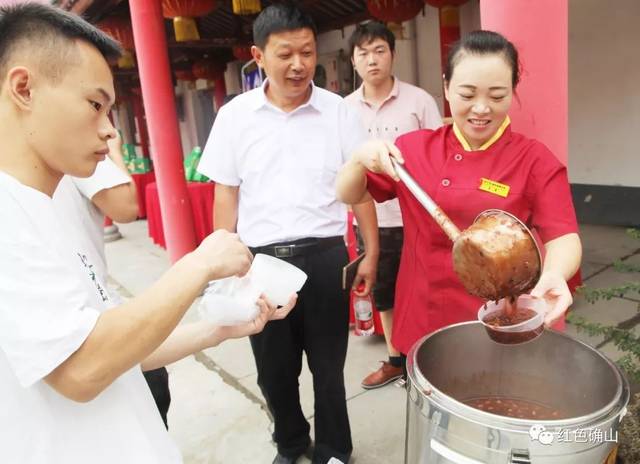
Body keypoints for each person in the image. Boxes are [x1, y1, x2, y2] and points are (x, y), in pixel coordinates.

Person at [0, 4, 295, 463]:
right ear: (24, 88)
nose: (107, 130)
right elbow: (82, 366)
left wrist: (218, 330)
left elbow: (119, 343)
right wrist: (200, 264)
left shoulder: (51, 203)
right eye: (95, 104)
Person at [197, 5, 378, 464]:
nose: (298, 65)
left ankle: (334, 449)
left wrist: (370, 252)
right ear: (259, 55)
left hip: (324, 257)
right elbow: (227, 195)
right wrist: (223, 263)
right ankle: (291, 443)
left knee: (328, 367)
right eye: (285, 54)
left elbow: (359, 190)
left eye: (307, 52)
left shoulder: (338, 111)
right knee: (274, 371)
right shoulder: (236, 116)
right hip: (262, 263)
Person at [336, 30, 582, 368]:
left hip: (494, 324)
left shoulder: (534, 159)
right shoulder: (413, 150)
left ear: (512, 91)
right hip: (421, 318)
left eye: (497, 96)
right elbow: (349, 193)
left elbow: (564, 235)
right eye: (467, 94)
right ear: (447, 86)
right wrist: (358, 158)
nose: (481, 109)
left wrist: (554, 274)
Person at [345, 21, 442, 389]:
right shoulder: (345, 109)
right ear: (354, 60)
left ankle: (429, 359)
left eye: (379, 50)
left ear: (393, 54)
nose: (372, 60)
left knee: (425, 290)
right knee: (385, 291)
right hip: (373, 219)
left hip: (418, 218)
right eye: (364, 53)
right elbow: (345, 170)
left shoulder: (419, 101)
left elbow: (438, 157)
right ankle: (395, 360)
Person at [53, 131, 172, 428]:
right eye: (95, 105)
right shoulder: (69, 142)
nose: (106, 127)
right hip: (95, 332)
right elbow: (126, 206)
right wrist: (114, 152)